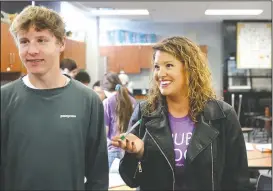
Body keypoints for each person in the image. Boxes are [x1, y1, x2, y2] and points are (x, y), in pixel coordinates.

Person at [112, 36, 249, 190]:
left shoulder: (222, 115)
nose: (160, 74)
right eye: (157, 67)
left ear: (190, 69)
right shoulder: (145, 113)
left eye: (169, 65)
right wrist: (137, 155)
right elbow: (132, 180)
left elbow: (238, 180)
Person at [1, 6, 108, 190]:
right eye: (24, 41)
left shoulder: (88, 101)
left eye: (41, 40)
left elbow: (97, 175)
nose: (32, 50)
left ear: (60, 43)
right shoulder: (4, 99)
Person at [102, 72, 137, 168]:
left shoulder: (107, 102)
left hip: (112, 152)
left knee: (112, 183)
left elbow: (104, 133)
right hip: (129, 151)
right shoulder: (132, 101)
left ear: (105, 89)